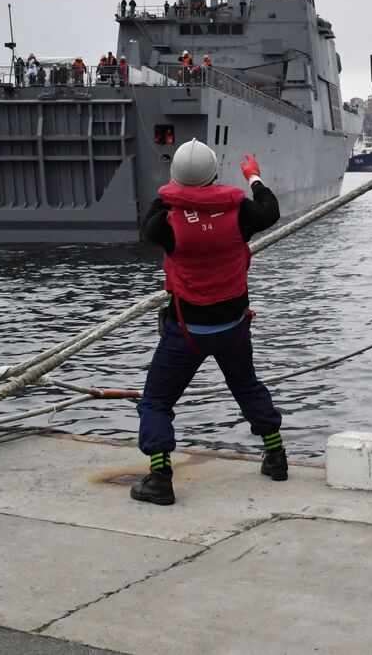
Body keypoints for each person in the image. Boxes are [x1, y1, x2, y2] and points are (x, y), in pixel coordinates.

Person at [133, 140, 285, 505]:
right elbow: (270, 210)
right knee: (247, 388)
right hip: (233, 328)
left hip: (186, 332)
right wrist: (254, 179)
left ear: (176, 181)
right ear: (216, 174)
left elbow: (152, 217)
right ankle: (276, 457)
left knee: (156, 402)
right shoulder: (241, 214)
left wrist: (176, 192)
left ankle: (159, 478)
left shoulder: (165, 224)